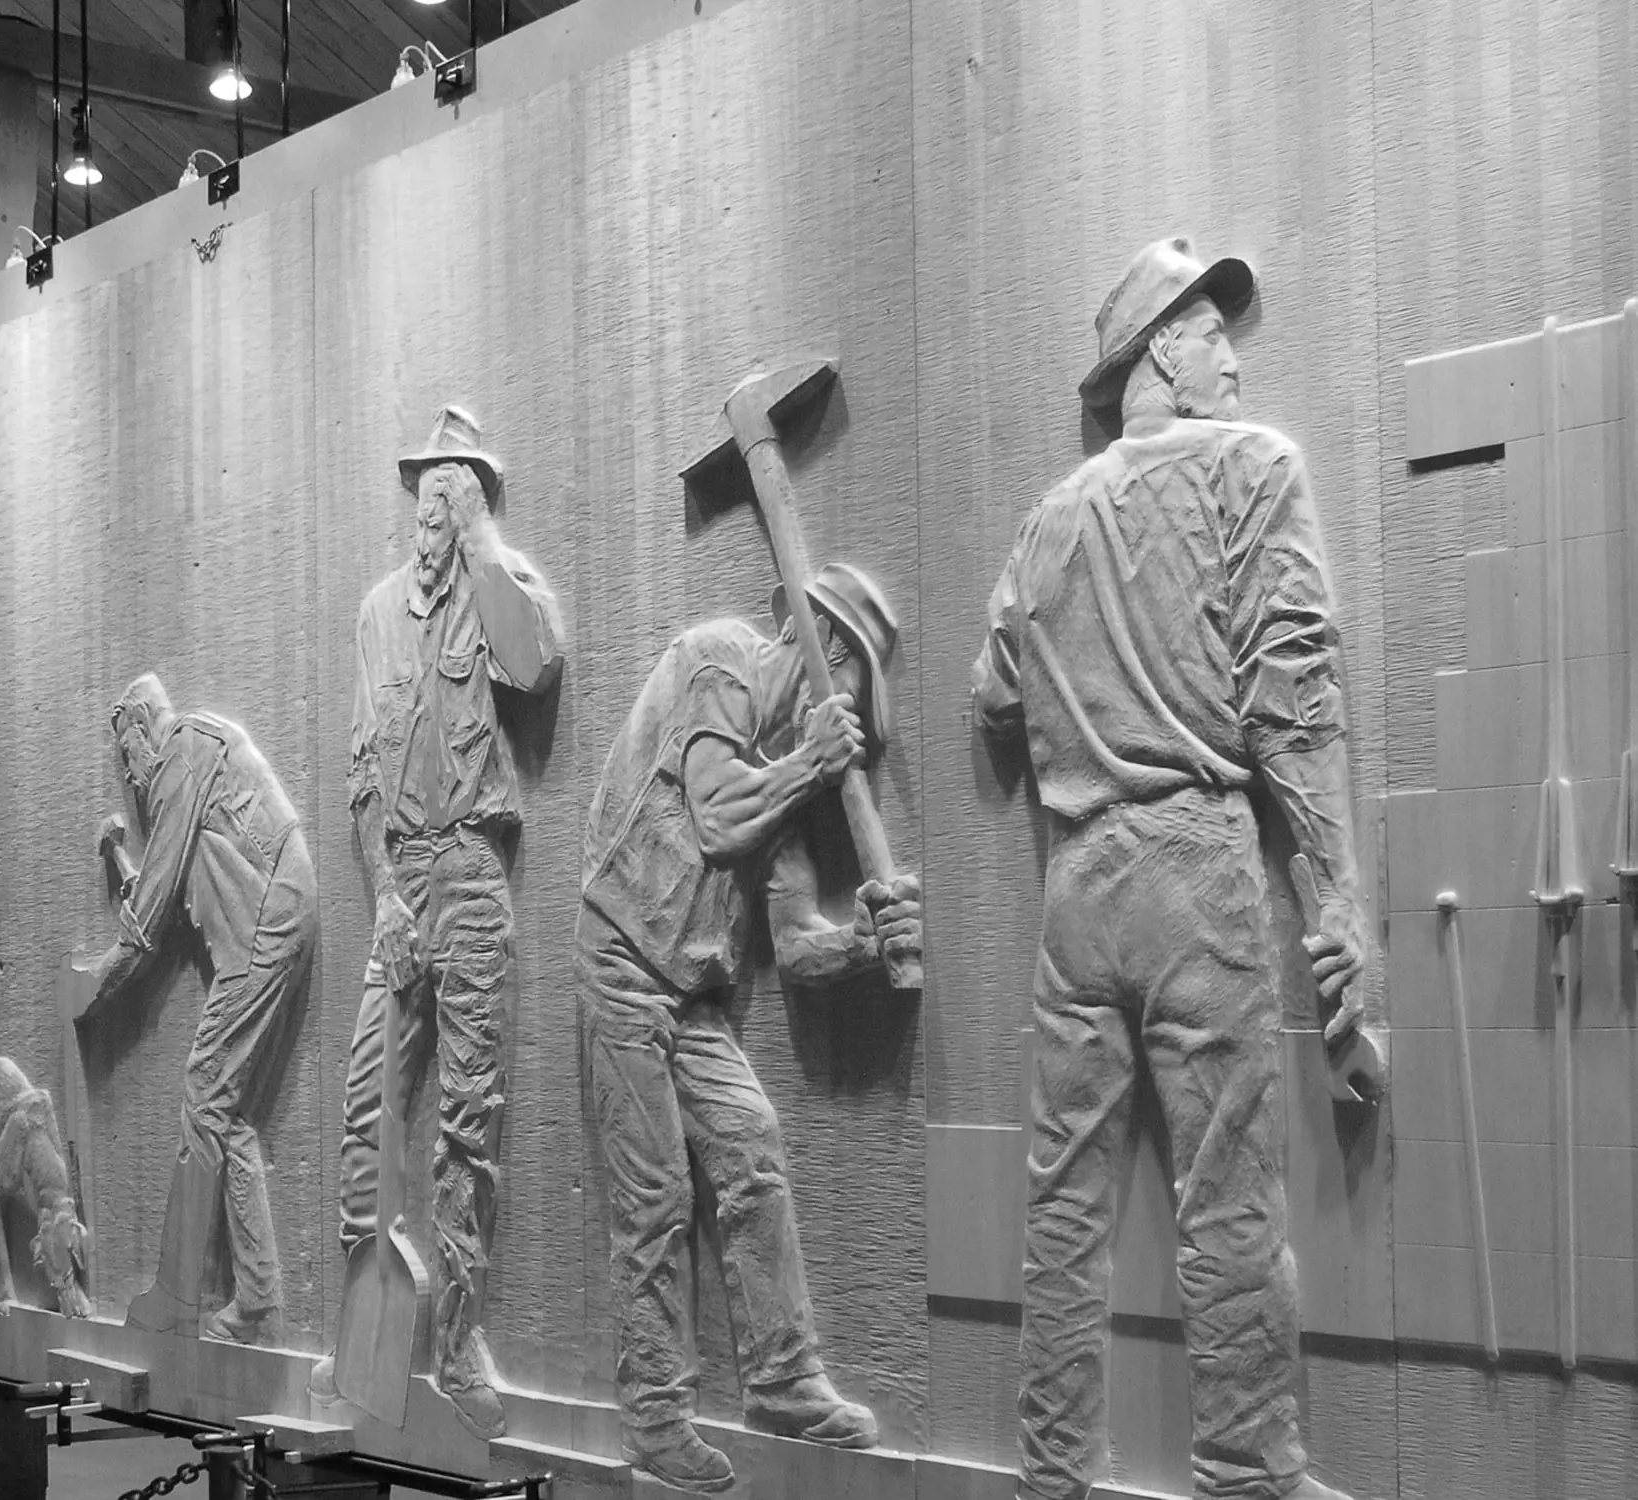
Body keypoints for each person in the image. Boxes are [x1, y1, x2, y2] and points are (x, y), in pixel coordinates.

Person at [971, 236, 1367, 1500]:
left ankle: (1051, 1475)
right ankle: (1248, 1471)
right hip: (1197, 868)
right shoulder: (1256, 472)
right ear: (1157, 356)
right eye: (1209, 331)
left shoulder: (1048, 517)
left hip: (1079, 884)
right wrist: (1338, 904)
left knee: (1063, 1202)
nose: (1234, 358)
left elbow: (993, 696)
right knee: (1228, 1194)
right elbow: (1293, 700)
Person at [579, 562, 920, 1492]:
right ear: (830, 655)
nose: (853, 718)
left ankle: (780, 1379)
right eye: (854, 691)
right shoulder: (717, 661)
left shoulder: (784, 772)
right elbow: (719, 817)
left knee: (751, 1143)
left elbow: (797, 945)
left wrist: (862, 939)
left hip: (689, 995)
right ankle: (652, 1418)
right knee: (652, 1198)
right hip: (620, 960)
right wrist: (812, 763)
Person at [319, 405, 564, 1439]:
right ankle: (363, 1332)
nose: (435, 499)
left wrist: (485, 544)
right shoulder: (378, 612)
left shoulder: (499, 594)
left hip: (470, 868)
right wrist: (383, 903)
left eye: (455, 484)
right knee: (368, 1102)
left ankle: (458, 1337)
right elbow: (363, 766)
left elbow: (535, 665)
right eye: (426, 482)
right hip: (400, 876)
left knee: (468, 1118)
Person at [95, 673, 319, 1344]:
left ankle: (182, 1292)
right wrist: (120, 864)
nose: (127, 773)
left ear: (139, 729)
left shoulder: (179, 752)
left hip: (268, 917)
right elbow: (180, 879)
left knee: (203, 1092)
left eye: (124, 752)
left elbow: (154, 912)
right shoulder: (190, 771)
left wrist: (97, 986)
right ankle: (257, 1301)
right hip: (269, 912)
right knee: (223, 1107)